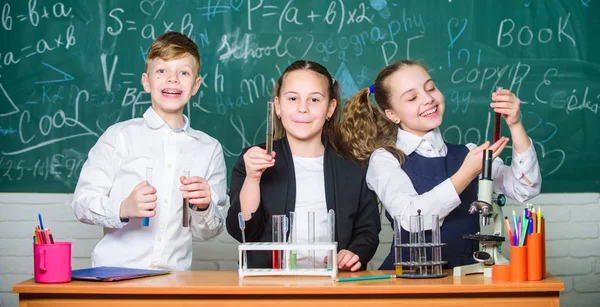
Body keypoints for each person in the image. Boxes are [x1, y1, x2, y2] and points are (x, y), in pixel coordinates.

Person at [338, 60, 541, 269]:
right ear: (392, 114)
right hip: (409, 280)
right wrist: (466, 173)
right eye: (412, 97)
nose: (428, 99)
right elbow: (411, 217)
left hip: (468, 277)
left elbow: (525, 187)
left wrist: (515, 125)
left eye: (430, 88)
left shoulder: (467, 153)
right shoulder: (385, 160)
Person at [71, 32, 227, 271]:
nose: (172, 79)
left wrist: (205, 207)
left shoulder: (209, 149)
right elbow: (82, 203)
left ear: (195, 85)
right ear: (146, 82)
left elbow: (209, 232)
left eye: (183, 72)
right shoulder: (119, 136)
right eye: (162, 71)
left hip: (174, 279)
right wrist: (123, 208)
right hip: (115, 276)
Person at [226, 60, 380, 271]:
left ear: (330, 108)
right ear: (278, 107)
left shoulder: (354, 165)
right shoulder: (252, 160)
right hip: (269, 285)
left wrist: (354, 253)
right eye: (292, 98)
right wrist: (253, 178)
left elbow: (368, 230)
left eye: (314, 99)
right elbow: (242, 231)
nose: (303, 108)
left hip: (334, 283)